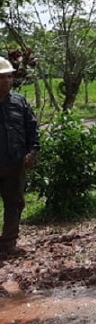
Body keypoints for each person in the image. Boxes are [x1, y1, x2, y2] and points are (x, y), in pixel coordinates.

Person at [0, 56, 39, 255]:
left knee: (15, 204)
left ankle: (8, 243)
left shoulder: (19, 102)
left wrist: (32, 151)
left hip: (14, 164)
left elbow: (32, 128)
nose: (6, 81)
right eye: (1, 78)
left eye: (9, 77)